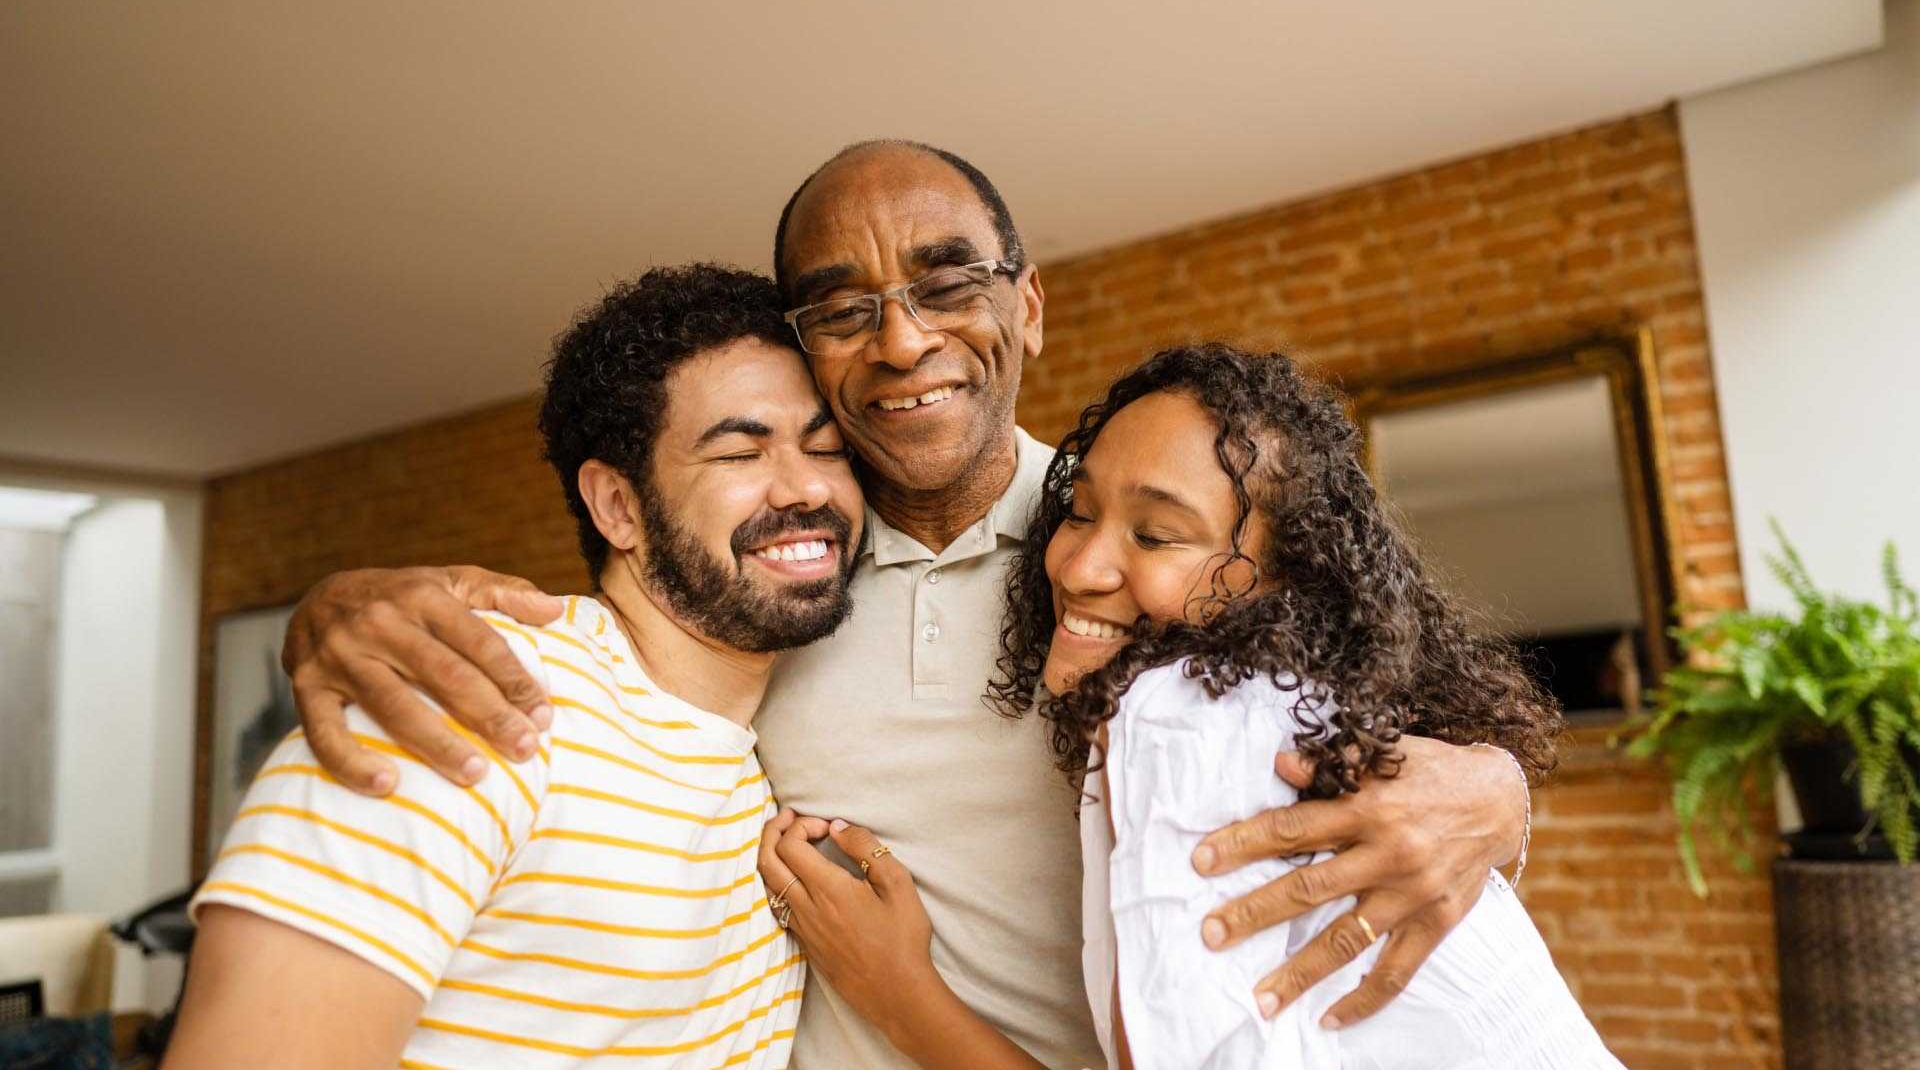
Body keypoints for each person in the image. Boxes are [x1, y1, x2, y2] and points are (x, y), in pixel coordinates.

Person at [275, 141, 1531, 1067]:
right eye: (841, 309)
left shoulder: (1134, 558)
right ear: (803, 343)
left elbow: (1392, 708)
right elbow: (625, 641)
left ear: (1025, 308)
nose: (902, 340)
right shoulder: (774, 578)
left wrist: (1500, 791)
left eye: (947, 285)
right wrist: (331, 605)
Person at [762, 344, 1622, 1068]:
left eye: (1157, 535)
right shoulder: (1278, 704)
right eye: (1081, 511)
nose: (1079, 566)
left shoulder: (1181, 711)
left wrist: (902, 997)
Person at [164, 265, 861, 1068]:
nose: (807, 485)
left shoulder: (768, 748)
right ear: (618, 508)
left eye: (827, 447)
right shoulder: (459, 698)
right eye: (740, 452)